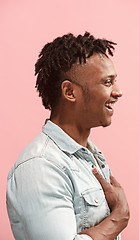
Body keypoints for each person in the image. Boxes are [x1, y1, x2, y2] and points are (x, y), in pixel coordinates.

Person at [6, 32, 130, 240]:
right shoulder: (41, 165)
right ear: (70, 92)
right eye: (107, 82)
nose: (118, 92)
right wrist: (118, 218)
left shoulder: (89, 156)